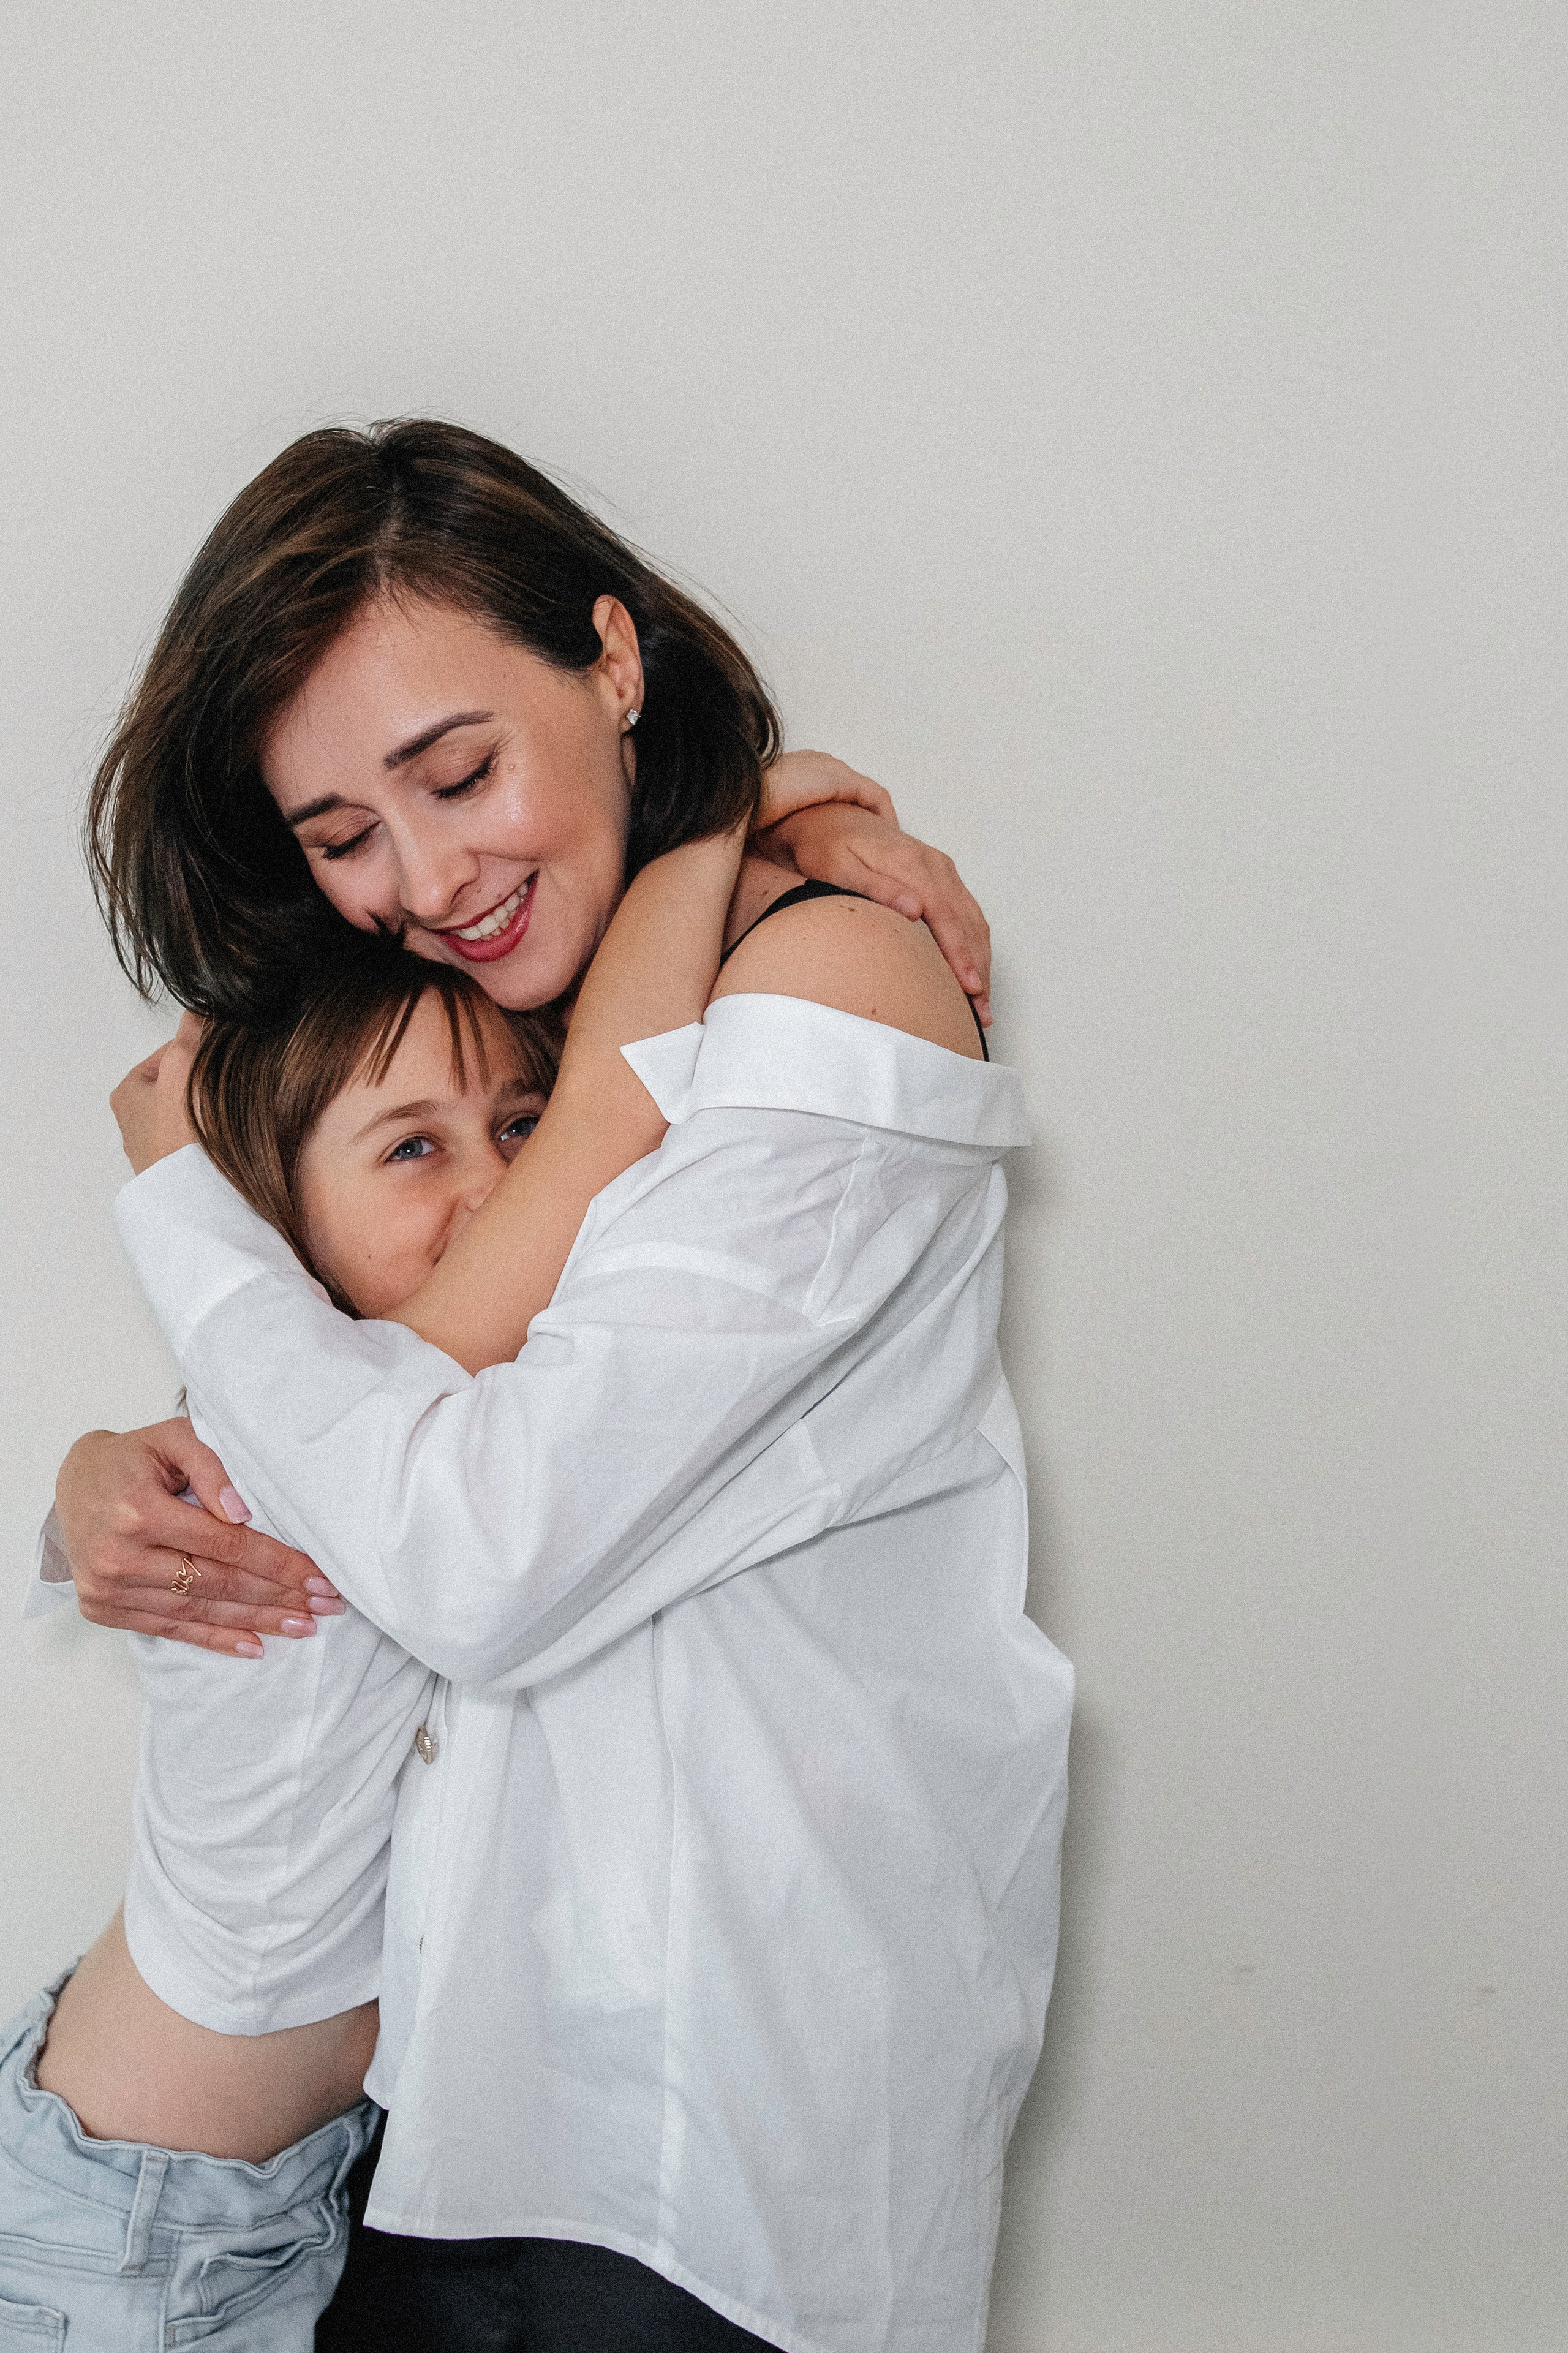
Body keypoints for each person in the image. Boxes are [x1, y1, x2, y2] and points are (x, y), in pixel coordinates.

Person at [42, 418, 1072, 2349]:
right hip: (422, 2127)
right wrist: (104, 1478)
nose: (428, 878)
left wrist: (180, 1212)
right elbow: (347, 1421)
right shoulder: (555, 1026)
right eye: (344, 836)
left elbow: (472, 1549)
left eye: (461, 771)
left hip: (705, 2130)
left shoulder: (830, 987)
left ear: (612, 658)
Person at [7, 828, 744, 2346]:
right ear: (273, 1226)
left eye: (513, 1126)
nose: (497, 1185)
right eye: (413, 1146)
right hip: (140, 2223)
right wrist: (720, 812)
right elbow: (623, 1096)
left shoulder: (342, 1422)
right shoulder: (338, 1424)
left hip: (263, 2184)